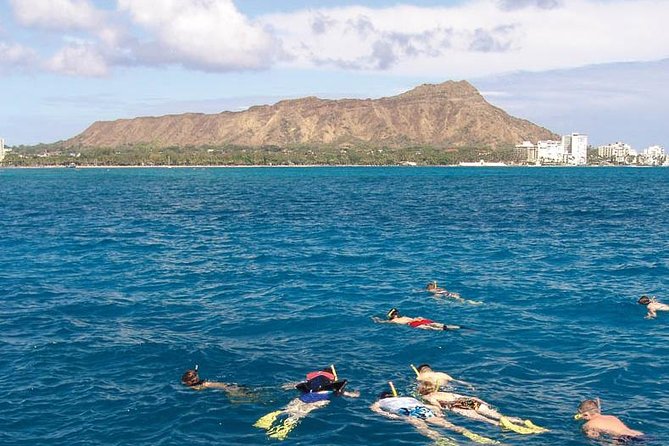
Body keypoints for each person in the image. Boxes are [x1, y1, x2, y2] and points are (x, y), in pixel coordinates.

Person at [370, 382, 498, 444]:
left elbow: (375, 410)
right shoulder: (409, 398)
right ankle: (471, 434)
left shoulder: (381, 402)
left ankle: (442, 440)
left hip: (407, 412)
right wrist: (438, 413)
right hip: (422, 409)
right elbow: (428, 406)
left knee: (422, 427)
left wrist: (391, 416)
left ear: (382, 397)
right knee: (449, 425)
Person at [254, 365, 359, 440]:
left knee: (287, 409)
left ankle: (267, 420)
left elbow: (293, 385)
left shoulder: (311, 381)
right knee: (297, 415)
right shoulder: (332, 385)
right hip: (319, 399)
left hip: (305, 396)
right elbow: (348, 394)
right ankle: (279, 432)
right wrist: (355, 394)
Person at [417, 379, 547, 435]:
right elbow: (461, 396)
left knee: (486, 420)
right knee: (499, 416)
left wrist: (439, 414)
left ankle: (502, 425)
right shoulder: (444, 392)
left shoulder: (428, 397)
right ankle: (522, 422)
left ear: (422, 390)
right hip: (467, 401)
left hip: (456, 406)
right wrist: (481, 401)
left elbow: (437, 406)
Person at [574, 399, 643, 440]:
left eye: (579, 413)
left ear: (586, 414)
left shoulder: (588, 425)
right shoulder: (611, 417)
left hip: (624, 438)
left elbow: (594, 438)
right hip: (638, 434)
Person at [373, 308, 462, 331]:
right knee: (439, 325)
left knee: (434, 328)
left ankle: (448, 329)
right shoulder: (403, 316)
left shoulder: (393, 321)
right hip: (418, 319)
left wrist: (375, 318)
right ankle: (457, 327)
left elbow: (382, 322)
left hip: (413, 323)